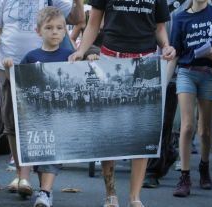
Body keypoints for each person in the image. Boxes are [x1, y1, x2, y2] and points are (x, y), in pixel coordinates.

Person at [68, 0, 176, 206]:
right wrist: (81, 51)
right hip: (109, 60)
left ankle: (135, 197)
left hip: (145, 63)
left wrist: (166, 45)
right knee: (109, 132)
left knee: (141, 133)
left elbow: (160, 27)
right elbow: (93, 23)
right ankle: (110, 193)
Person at [0, 0, 83, 198]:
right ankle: (22, 175)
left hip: (45, 70)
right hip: (9, 67)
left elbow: (77, 19)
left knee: (44, 124)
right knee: (13, 124)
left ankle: (42, 183)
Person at [2, 7, 73, 207]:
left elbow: (82, 73)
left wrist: (90, 56)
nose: (55, 32)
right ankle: (33, 185)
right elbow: (17, 83)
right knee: (37, 151)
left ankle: (45, 193)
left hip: (59, 118)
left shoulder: (70, 56)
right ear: (38, 31)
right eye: (49, 28)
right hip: (35, 118)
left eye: (60, 28)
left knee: (51, 154)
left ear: (65, 30)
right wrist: (9, 68)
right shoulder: (31, 57)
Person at [168, 0, 212, 197]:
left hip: (210, 74)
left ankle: (204, 165)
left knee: (205, 131)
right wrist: (164, 83)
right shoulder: (180, 17)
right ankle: (184, 176)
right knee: (187, 126)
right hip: (187, 72)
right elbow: (174, 52)